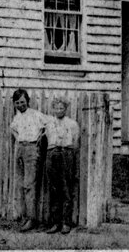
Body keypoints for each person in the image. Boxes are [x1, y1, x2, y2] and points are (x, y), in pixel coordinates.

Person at [9, 88, 46, 232]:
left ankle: (32, 219)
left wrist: (40, 137)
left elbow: (48, 126)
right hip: (20, 148)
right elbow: (12, 128)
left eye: (23, 102)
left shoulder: (36, 115)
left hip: (31, 149)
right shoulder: (17, 116)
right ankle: (25, 216)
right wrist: (17, 139)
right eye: (17, 103)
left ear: (28, 102)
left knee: (29, 185)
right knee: (21, 184)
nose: (20, 105)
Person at [43, 97, 80, 234]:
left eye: (62, 108)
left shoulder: (72, 124)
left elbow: (75, 142)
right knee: (53, 188)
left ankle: (66, 223)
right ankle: (55, 223)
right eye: (56, 108)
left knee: (66, 188)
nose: (59, 110)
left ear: (66, 109)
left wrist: (67, 154)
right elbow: (46, 139)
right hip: (52, 153)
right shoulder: (49, 123)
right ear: (53, 109)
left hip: (66, 153)